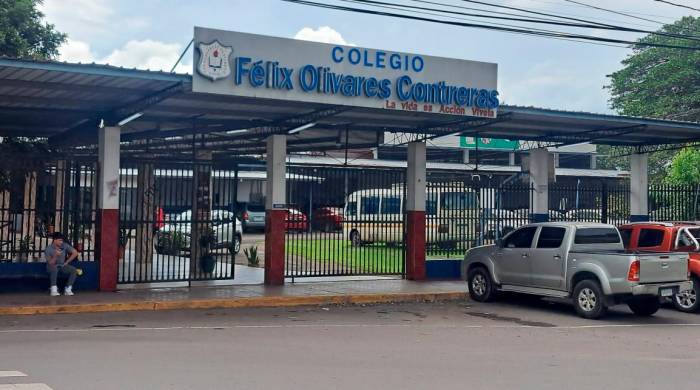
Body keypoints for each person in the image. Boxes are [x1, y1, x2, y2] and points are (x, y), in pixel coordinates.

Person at [44, 232, 79, 296]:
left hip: (61, 265)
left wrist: (67, 262)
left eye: (62, 240)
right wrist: (55, 255)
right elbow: (50, 263)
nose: (61, 242)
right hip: (51, 266)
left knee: (74, 270)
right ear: (54, 240)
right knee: (54, 268)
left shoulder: (64, 245)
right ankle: (53, 289)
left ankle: (68, 288)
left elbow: (75, 253)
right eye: (60, 240)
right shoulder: (48, 249)